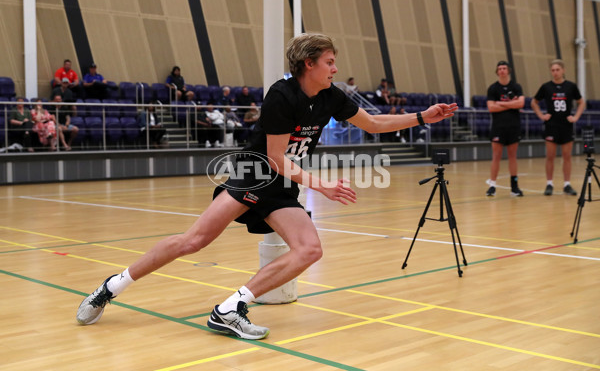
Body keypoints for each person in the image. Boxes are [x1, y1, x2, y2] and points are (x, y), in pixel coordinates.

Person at [76, 33, 456, 340]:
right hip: (255, 173)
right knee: (194, 241)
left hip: (283, 185)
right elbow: (275, 158)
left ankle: (230, 308)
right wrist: (320, 184)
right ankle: (111, 287)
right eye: (329, 62)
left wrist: (423, 116)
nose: (335, 69)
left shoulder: (331, 95)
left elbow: (373, 124)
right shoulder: (281, 95)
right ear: (309, 64)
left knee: (309, 249)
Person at [531, 59, 585, 196]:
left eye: (557, 70)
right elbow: (534, 102)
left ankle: (567, 184)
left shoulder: (571, 86)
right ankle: (549, 183)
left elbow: (581, 102)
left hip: (566, 125)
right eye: (553, 70)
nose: (555, 72)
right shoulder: (546, 87)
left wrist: (576, 117)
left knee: (567, 156)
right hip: (551, 125)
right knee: (550, 156)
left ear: (563, 70)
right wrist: (541, 115)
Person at [485, 61, 525, 197]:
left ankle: (514, 187)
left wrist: (501, 103)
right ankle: (492, 186)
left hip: (513, 126)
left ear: (508, 70)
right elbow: (491, 107)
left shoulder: (516, 86)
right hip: (498, 126)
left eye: (504, 68)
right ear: (497, 72)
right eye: (499, 68)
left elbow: (521, 103)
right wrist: (511, 104)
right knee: (496, 156)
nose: (502, 70)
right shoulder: (493, 88)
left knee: (512, 156)